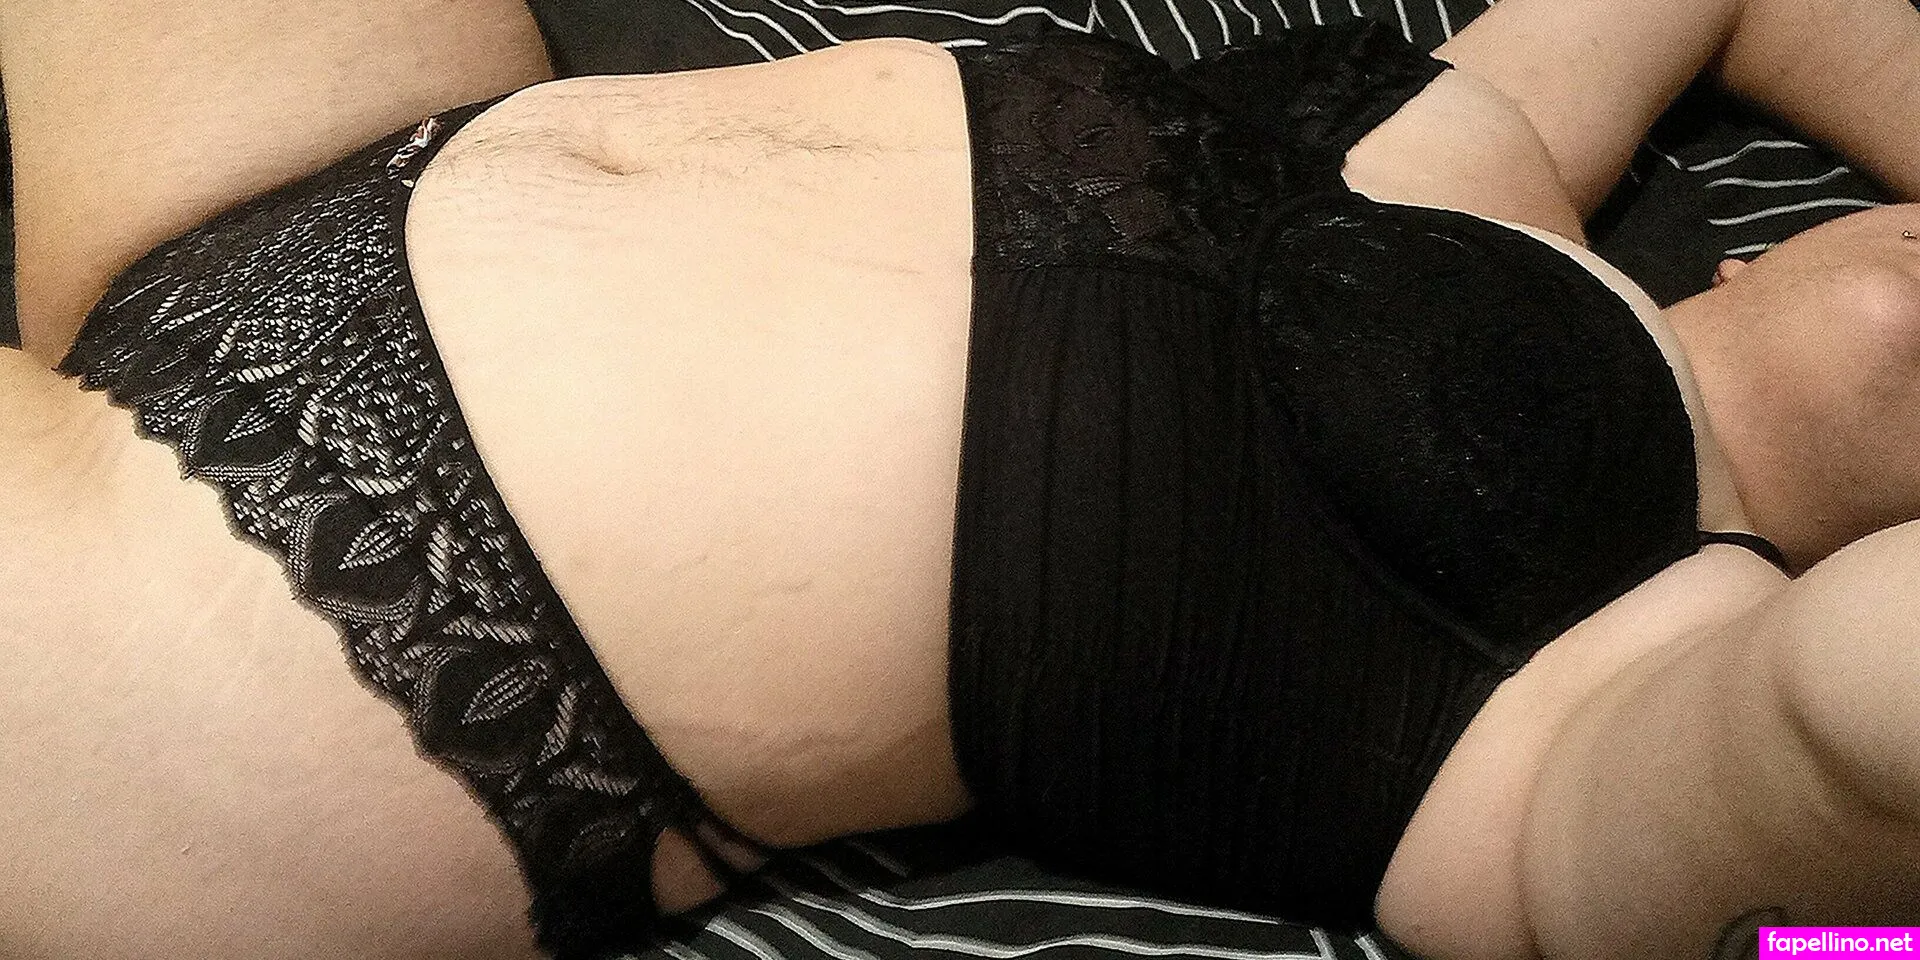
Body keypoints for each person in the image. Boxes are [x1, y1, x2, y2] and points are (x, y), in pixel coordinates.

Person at [2, 0, 1919, 958]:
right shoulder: (1495, 138)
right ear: (1767, 249)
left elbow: (1846, 795)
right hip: (343, 158)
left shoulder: (1639, 656)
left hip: (299, 662)